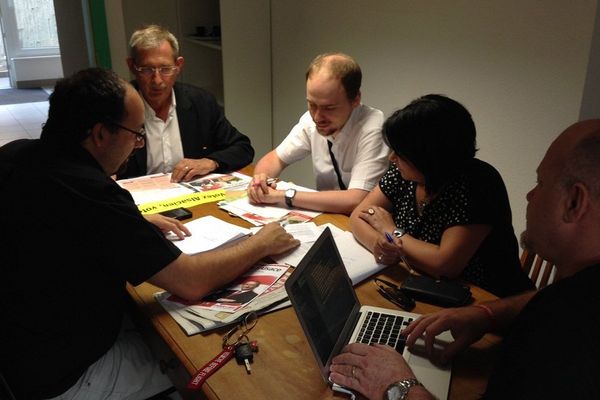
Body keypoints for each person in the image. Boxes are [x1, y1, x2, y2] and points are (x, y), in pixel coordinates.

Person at [0, 68, 299, 400]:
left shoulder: (16, 154)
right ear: (100, 134)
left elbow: (66, 223)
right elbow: (191, 281)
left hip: (20, 347)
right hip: (68, 375)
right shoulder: (94, 193)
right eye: (135, 133)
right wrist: (261, 242)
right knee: (219, 368)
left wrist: (131, 219)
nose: (138, 143)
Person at [329, 119, 600, 399]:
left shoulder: (570, 340)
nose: (530, 195)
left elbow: (444, 263)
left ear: (574, 202)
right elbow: (547, 297)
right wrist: (487, 314)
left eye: (540, 183)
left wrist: (397, 386)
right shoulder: (574, 292)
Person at [350, 94, 533, 297]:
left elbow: (444, 264)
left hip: (485, 302)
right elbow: (358, 216)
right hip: (424, 286)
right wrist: (378, 244)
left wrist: (392, 231)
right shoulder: (404, 172)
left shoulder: (478, 183)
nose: (391, 158)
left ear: (429, 157)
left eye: (400, 153)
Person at [247, 52, 389, 214]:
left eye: (329, 108)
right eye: (312, 105)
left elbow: (356, 200)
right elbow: (275, 159)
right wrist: (260, 181)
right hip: (329, 216)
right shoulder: (311, 119)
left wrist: (284, 195)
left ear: (356, 99)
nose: (317, 117)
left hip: (364, 221)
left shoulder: (373, 127)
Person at [120, 24, 254, 182]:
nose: (157, 80)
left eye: (165, 69)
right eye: (147, 70)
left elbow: (243, 148)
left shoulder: (201, 102)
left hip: (191, 199)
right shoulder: (119, 108)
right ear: (132, 67)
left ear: (178, 66)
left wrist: (210, 162)